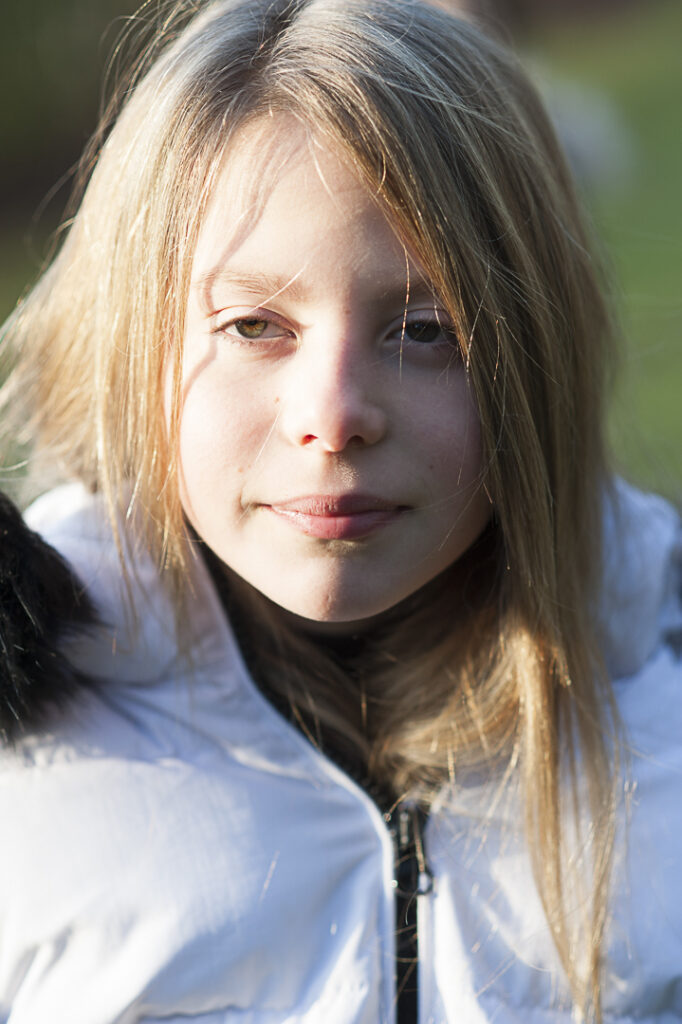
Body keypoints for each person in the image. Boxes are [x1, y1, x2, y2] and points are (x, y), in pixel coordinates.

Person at [0, 0, 680, 1021]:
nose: (333, 415)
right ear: (129, 337)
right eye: (253, 324)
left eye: (420, 327)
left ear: (529, 355)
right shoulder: (27, 764)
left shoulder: (652, 690)